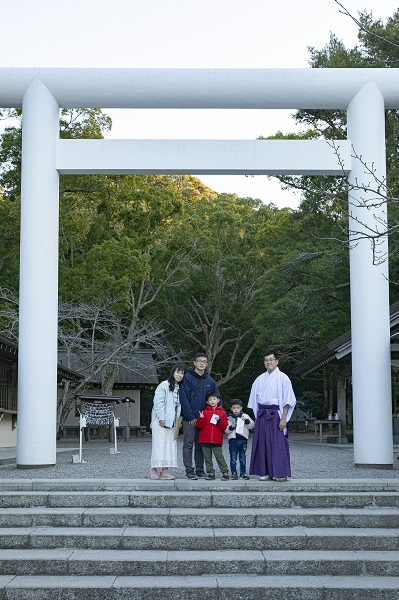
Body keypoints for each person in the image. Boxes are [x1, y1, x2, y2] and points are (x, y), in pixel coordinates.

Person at [248, 350, 296, 482]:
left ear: (276, 361)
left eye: (271, 359)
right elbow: (254, 400)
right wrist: (257, 417)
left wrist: (284, 419)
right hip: (262, 414)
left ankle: (280, 472)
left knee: (277, 444)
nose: (268, 362)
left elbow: (287, 400)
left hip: (276, 414)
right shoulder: (259, 379)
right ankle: (264, 471)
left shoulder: (283, 378)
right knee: (262, 443)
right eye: (266, 360)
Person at [179, 352, 220, 479]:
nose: (202, 363)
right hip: (189, 418)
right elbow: (183, 398)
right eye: (199, 361)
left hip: (205, 419)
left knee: (201, 445)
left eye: (204, 361)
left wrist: (217, 415)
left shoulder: (210, 380)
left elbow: (217, 398)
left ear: (207, 364)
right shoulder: (187, 378)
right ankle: (188, 469)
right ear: (194, 363)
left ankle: (200, 469)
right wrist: (190, 416)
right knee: (188, 443)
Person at [150, 363, 185, 480]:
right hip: (160, 420)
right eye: (177, 372)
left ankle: (164, 471)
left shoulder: (180, 388)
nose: (179, 375)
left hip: (172, 421)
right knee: (159, 444)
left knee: (169, 445)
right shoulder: (164, 385)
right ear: (173, 373)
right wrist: (161, 417)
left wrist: (178, 420)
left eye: (181, 373)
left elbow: (178, 406)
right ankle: (153, 469)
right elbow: (158, 402)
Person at [196, 391, 229, 480]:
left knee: (219, 457)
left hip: (216, 439)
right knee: (207, 458)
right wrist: (201, 418)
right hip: (204, 439)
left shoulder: (222, 413)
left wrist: (219, 420)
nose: (212, 401)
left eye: (214, 399)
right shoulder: (204, 412)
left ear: (218, 400)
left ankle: (225, 472)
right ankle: (210, 473)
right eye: (210, 399)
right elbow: (199, 426)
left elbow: (224, 427)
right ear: (207, 402)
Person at [225, 399, 255, 480]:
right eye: (234, 408)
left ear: (241, 408)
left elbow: (252, 426)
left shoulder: (245, 416)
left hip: (243, 440)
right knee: (233, 458)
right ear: (231, 408)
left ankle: (243, 473)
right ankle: (234, 473)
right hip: (233, 440)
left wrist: (247, 421)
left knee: (242, 457)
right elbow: (226, 430)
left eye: (237, 408)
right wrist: (231, 427)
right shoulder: (229, 418)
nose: (236, 410)